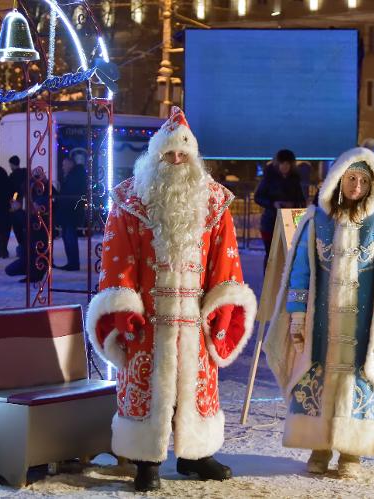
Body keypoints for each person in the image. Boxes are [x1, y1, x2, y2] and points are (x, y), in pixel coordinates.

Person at [85, 107, 257, 492]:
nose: (176, 161)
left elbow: (225, 258)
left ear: (193, 158)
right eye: (169, 154)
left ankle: (195, 454)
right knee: (146, 386)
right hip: (148, 318)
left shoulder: (214, 201)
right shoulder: (130, 200)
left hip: (194, 318)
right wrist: (123, 308)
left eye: (183, 154)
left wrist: (222, 305)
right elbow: (117, 259)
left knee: (195, 385)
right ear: (155, 156)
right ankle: (146, 459)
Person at [264, 147, 374, 479]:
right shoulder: (316, 221)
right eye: (351, 179)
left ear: (373, 185)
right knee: (320, 377)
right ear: (337, 181)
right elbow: (300, 272)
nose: (356, 186)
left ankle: (351, 452)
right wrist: (298, 315)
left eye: (363, 180)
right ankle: (319, 446)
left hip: (362, 327)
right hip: (322, 324)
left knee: (357, 380)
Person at [253, 149, 306, 270]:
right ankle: (268, 283)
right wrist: (273, 204)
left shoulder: (295, 180)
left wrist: (293, 204)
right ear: (278, 164)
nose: (285, 167)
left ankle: (284, 283)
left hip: (290, 222)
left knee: (289, 255)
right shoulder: (269, 178)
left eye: (287, 164)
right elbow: (258, 197)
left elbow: (301, 200)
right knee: (271, 254)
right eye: (282, 163)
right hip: (270, 222)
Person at [4, 167, 50, 283]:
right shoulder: (27, 189)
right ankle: (32, 270)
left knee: (35, 250)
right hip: (30, 228)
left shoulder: (42, 190)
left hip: (38, 227)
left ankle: (35, 273)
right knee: (11, 268)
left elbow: (46, 203)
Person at [54, 157, 85, 271]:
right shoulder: (74, 176)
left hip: (70, 212)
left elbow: (70, 195)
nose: (63, 167)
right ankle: (72, 262)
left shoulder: (74, 177)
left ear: (71, 164)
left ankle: (73, 263)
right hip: (70, 211)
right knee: (68, 236)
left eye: (64, 164)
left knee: (69, 237)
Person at [8, 155, 27, 256]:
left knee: (18, 227)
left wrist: (11, 202)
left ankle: (22, 249)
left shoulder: (13, 176)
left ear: (12, 164)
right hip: (28, 203)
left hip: (19, 204)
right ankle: (26, 247)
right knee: (26, 227)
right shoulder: (26, 172)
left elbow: (10, 190)